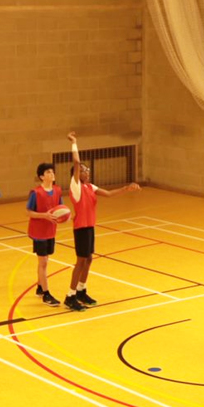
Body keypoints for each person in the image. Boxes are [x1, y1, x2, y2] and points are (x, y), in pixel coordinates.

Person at [64, 132, 140, 312]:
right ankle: (70, 296)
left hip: (90, 227)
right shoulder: (76, 187)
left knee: (89, 259)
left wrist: (126, 188)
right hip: (81, 228)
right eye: (83, 170)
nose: (86, 171)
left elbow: (109, 194)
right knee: (80, 261)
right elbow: (75, 162)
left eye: (86, 169)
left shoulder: (91, 187)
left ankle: (81, 290)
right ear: (77, 174)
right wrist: (74, 143)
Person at [26, 162, 63, 307]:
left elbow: (60, 209)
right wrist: (44, 215)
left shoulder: (58, 191)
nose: (51, 174)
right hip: (38, 232)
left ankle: (40, 287)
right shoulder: (36, 193)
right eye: (48, 172)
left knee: (44, 260)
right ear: (41, 176)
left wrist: (63, 217)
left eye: (52, 171)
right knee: (44, 262)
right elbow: (29, 212)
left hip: (50, 231)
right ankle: (46, 294)